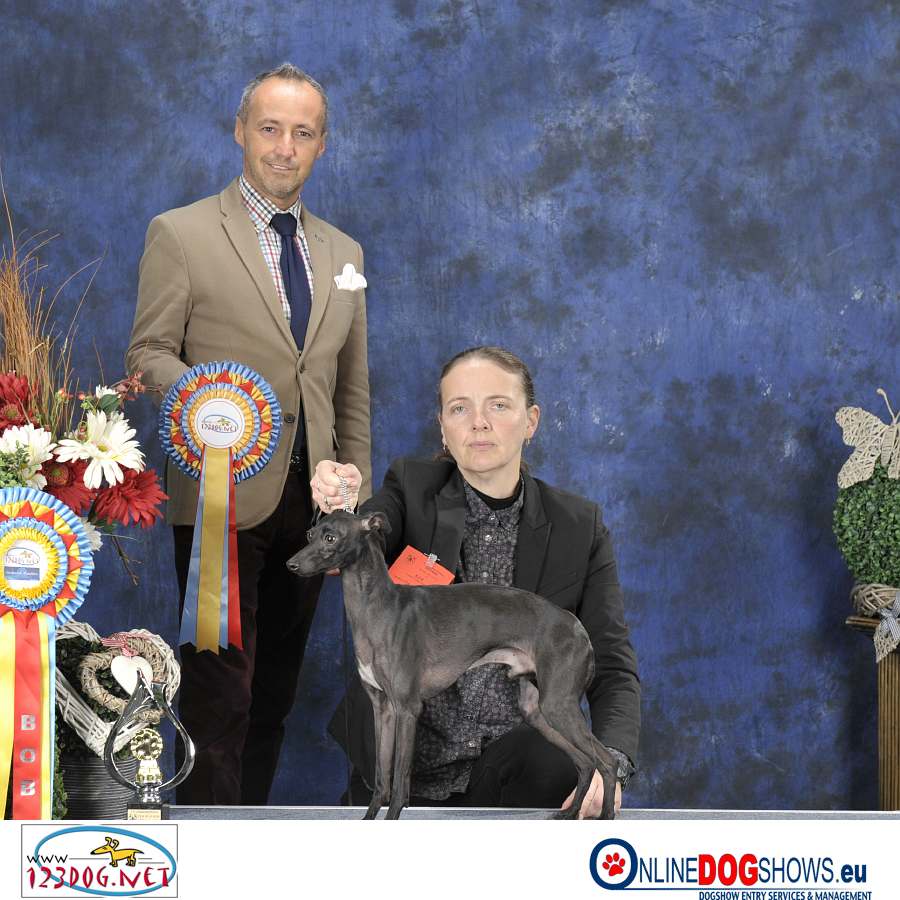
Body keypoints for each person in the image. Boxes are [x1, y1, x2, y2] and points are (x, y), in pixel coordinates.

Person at [126, 63, 372, 805]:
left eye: (303, 132)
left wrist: (351, 495)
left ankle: (250, 844)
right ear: (240, 132)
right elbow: (147, 355)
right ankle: (208, 853)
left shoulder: (345, 253)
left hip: (315, 503)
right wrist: (210, 404)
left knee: (274, 695)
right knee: (218, 698)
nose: (284, 147)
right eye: (269, 128)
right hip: (220, 496)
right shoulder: (181, 233)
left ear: (322, 144)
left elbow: (351, 387)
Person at [313, 347, 639, 817]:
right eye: (459, 408)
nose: (479, 423)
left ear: (531, 421)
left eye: (498, 405)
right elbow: (365, 531)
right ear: (443, 428)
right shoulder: (410, 487)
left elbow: (611, 662)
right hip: (405, 762)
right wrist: (339, 504)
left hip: (512, 775)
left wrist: (615, 763)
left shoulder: (579, 526)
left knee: (548, 759)